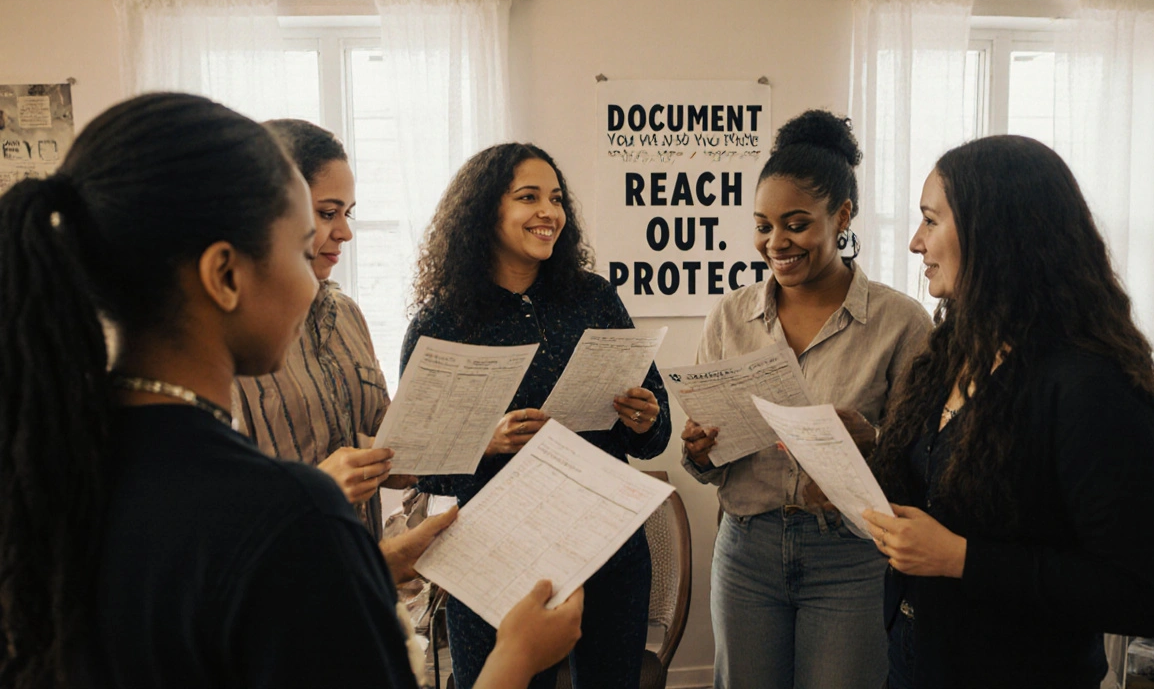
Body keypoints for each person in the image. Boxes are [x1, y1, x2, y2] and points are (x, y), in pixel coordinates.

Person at [0, 93, 581, 689]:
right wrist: (515, 655)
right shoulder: (289, 509)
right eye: (303, 247)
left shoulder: (43, 466)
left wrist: (370, 566)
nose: (325, 263)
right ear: (225, 275)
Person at [863, 135, 1154, 688]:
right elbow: (941, 494)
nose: (916, 242)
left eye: (930, 221)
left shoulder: (1089, 384)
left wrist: (962, 558)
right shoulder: (953, 350)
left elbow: (1143, 595)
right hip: (918, 657)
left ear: (995, 235)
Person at [403, 142, 672, 689]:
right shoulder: (444, 320)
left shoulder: (594, 297)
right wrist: (488, 441)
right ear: (486, 212)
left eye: (555, 198)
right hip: (495, 550)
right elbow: (416, 465)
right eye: (529, 197)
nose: (549, 212)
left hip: (606, 542)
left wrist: (644, 419)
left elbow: (655, 434)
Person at [680, 109, 932, 689]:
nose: (776, 243)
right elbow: (705, 465)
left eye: (796, 224)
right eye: (764, 226)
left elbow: (932, 460)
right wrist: (699, 450)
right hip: (747, 550)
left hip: (851, 558)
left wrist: (875, 442)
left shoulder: (901, 323)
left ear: (842, 217)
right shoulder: (731, 315)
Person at [232, 118, 413, 544]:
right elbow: (203, 513)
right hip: (276, 589)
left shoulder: (348, 314)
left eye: (347, 214)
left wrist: (455, 434)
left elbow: (383, 448)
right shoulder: (224, 333)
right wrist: (313, 488)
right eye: (328, 213)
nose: (346, 232)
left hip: (357, 574)